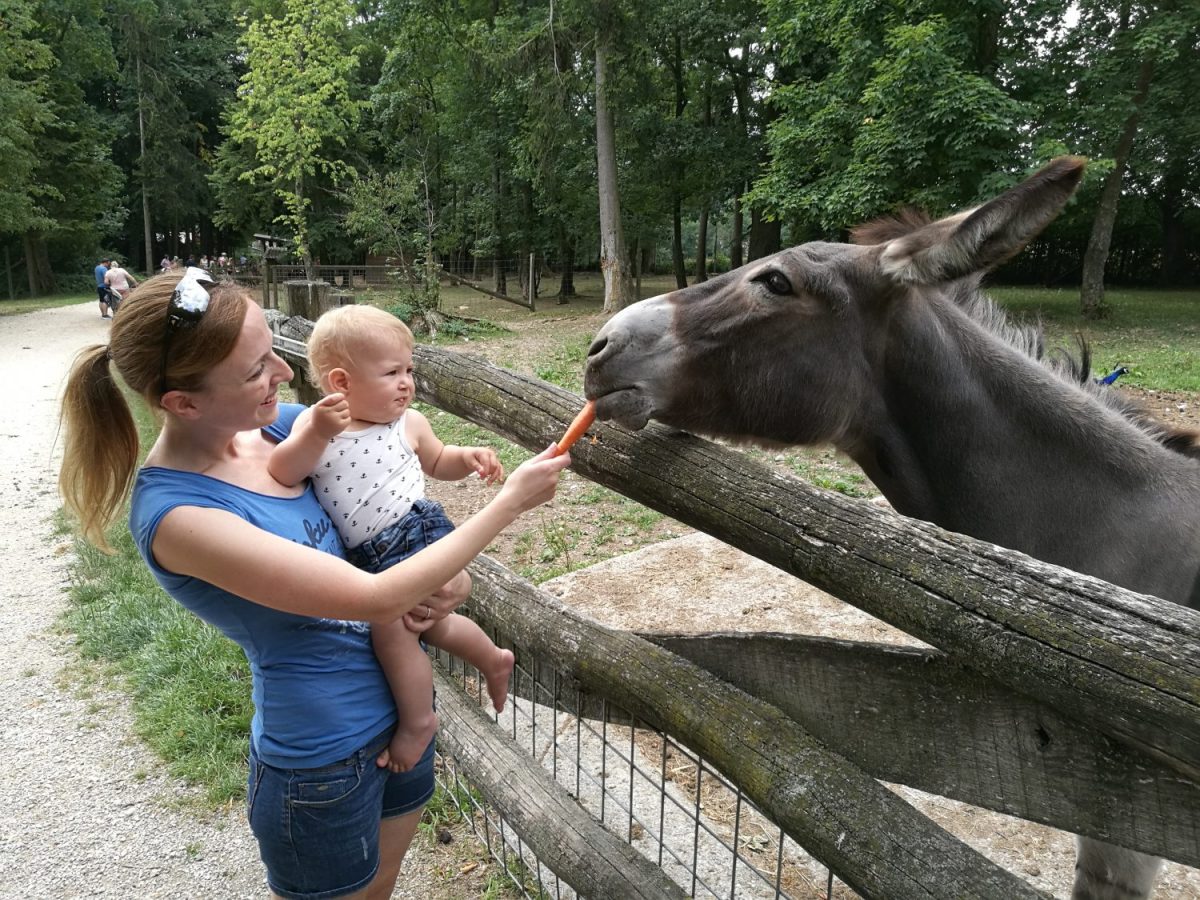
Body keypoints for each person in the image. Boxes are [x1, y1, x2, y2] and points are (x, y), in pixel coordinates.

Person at [58, 269, 570, 900]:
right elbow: (377, 596)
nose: (282, 370)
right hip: (323, 764)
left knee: (379, 888)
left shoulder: (276, 428)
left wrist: (449, 584)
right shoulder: (181, 518)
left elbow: (384, 442)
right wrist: (509, 503)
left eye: (272, 347)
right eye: (254, 370)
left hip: (402, 720)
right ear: (182, 403)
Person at [269, 305, 515, 773]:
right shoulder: (318, 429)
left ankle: (419, 721)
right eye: (391, 372)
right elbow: (283, 470)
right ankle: (493, 658)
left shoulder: (410, 424)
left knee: (391, 629)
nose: (407, 382)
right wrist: (316, 435)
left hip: (417, 532)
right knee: (430, 625)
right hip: (368, 554)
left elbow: (439, 461)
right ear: (341, 383)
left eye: (409, 370)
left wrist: (471, 457)